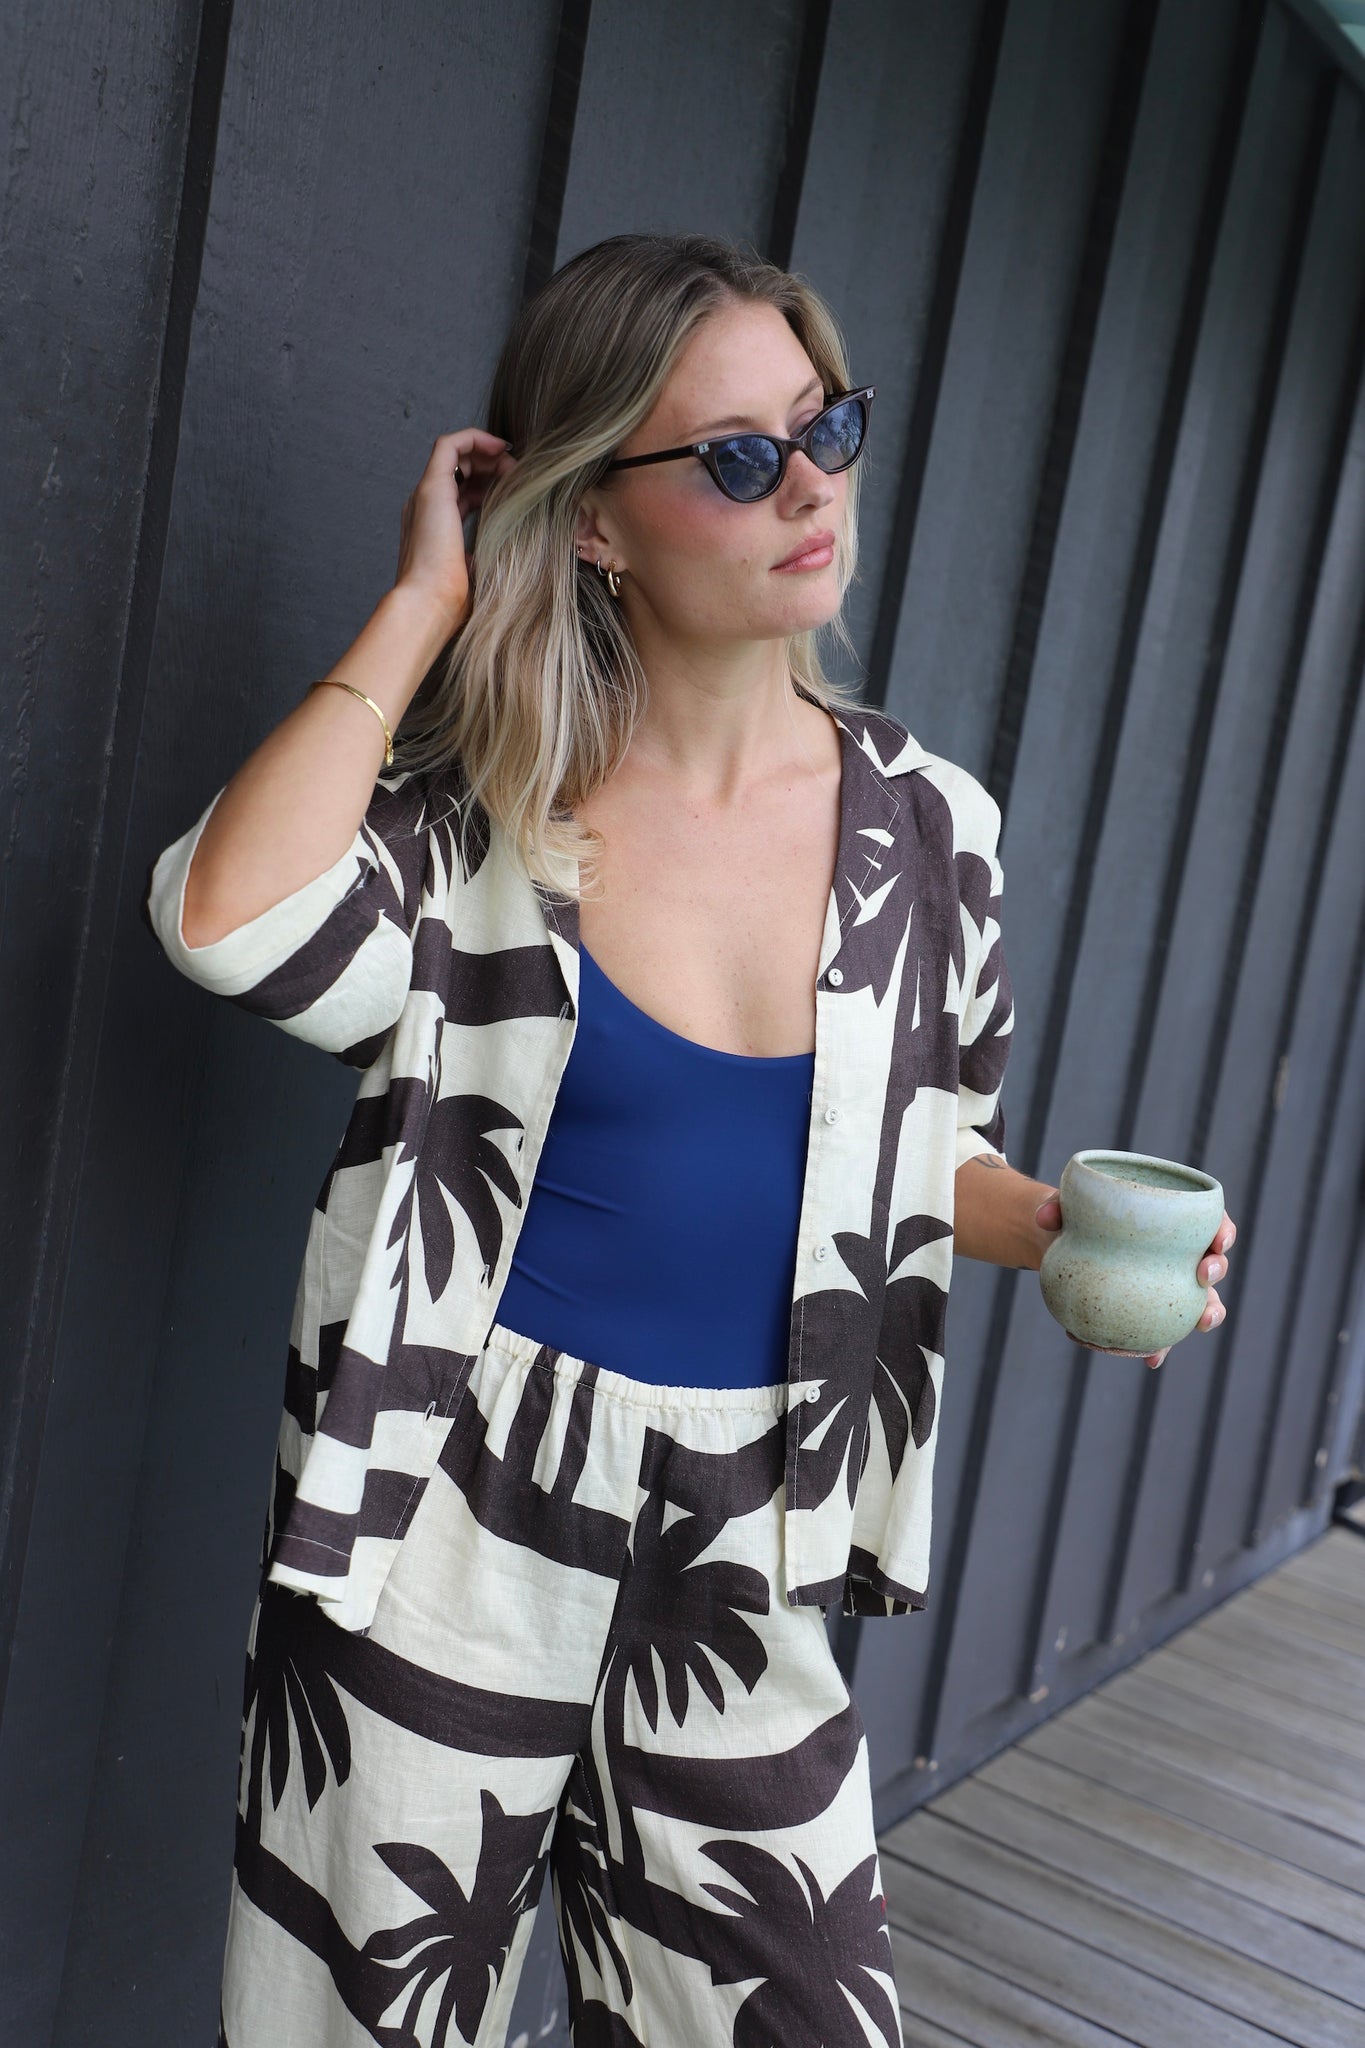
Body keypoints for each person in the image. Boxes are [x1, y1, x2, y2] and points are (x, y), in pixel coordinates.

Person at [145, 232, 1236, 2048]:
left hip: (751, 1516)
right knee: (365, 2019)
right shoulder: (485, 801)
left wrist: (1053, 1226)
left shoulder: (932, 833)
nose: (808, 487)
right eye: (736, 457)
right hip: (451, 1498)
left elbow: (905, 1153)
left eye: (824, 427)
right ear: (596, 520)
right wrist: (422, 605)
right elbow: (229, 928)